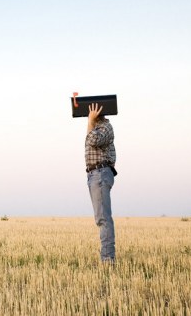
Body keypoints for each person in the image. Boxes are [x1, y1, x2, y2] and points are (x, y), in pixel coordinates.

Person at [85, 103, 117, 263]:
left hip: (100, 173)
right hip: (95, 174)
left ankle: (108, 260)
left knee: (103, 218)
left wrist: (90, 121)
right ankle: (107, 257)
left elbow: (91, 139)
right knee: (101, 218)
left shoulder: (105, 128)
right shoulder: (99, 128)